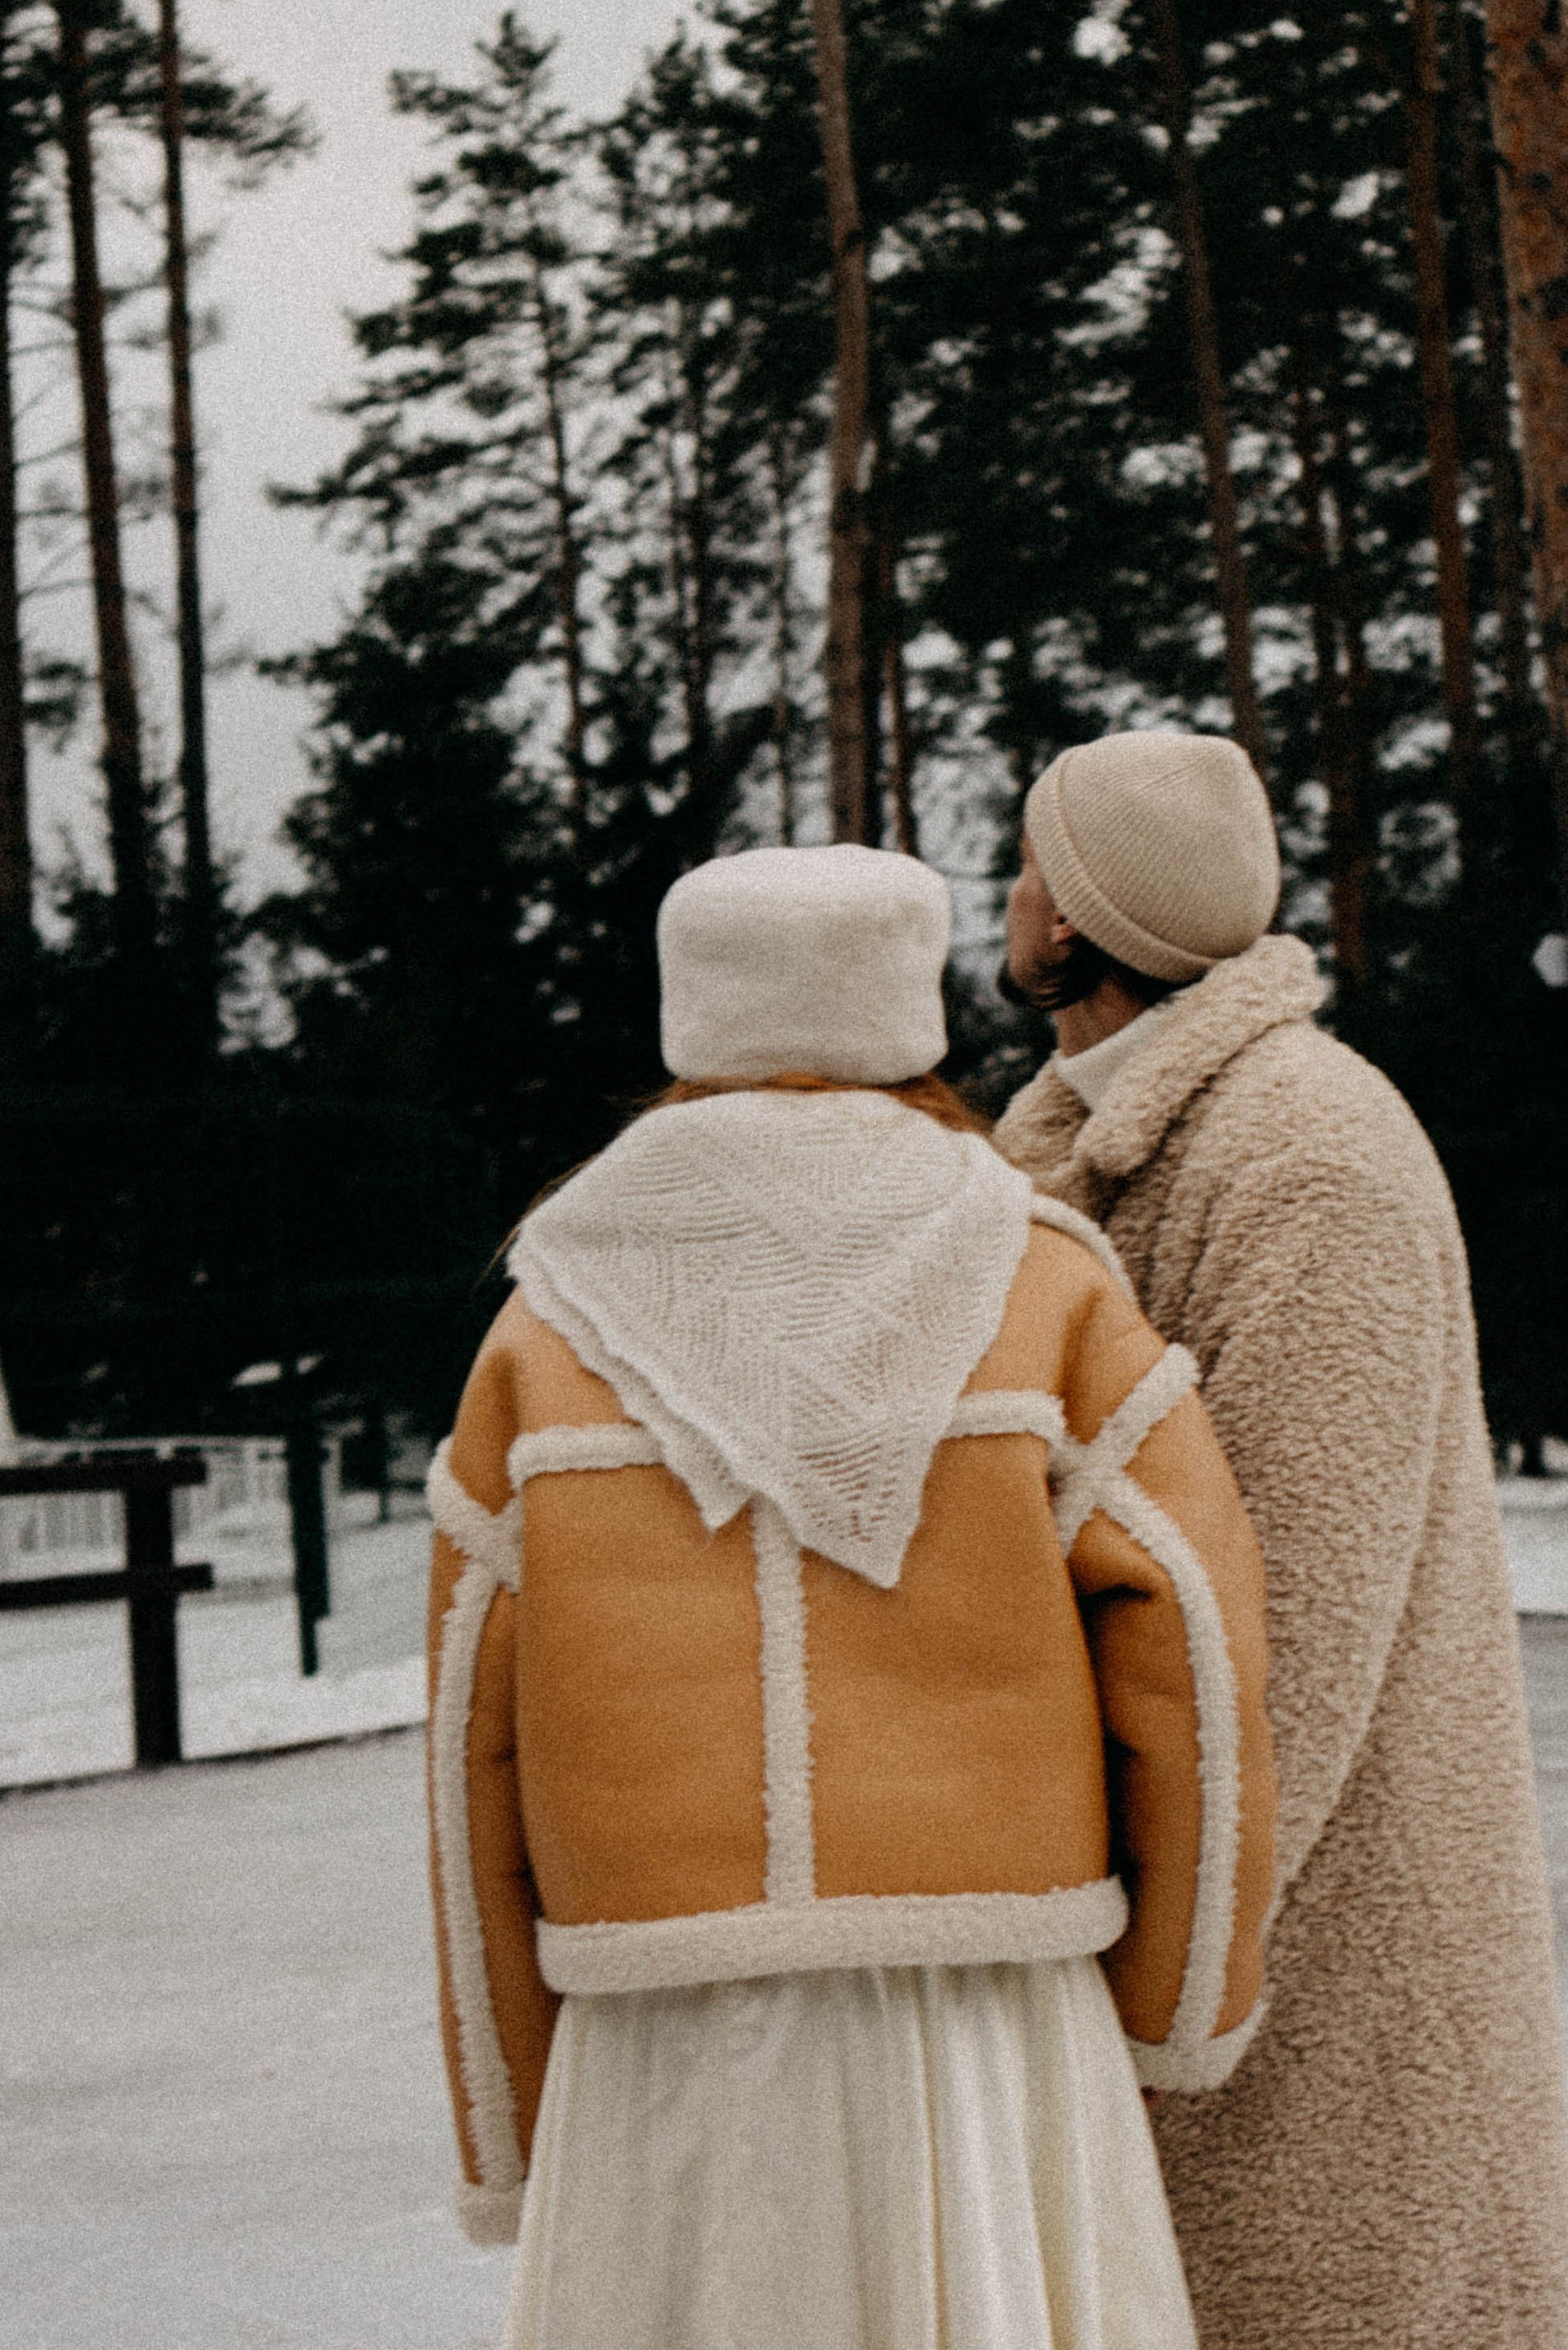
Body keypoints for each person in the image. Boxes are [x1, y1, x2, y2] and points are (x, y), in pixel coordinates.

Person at [424, 840, 1275, 2350]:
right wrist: (1176, 2003)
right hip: (988, 2023)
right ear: (912, 1007)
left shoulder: (543, 1316)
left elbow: (466, 1752)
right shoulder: (1048, 1279)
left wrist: (512, 2114)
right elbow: (1194, 1647)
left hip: (660, 2040)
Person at [997, 732, 1568, 2350]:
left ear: (1085, 918)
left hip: (1324, 1999)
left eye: (1035, 863)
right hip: (1194, 1985)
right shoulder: (1083, 1141)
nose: (1009, 892)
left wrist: (1145, 1966)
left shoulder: (1309, 1160)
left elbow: (1286, 1644)